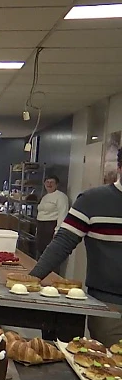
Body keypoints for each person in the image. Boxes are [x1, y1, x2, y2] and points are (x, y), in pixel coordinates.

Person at [30, 148, 122, 346]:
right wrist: (30, 281)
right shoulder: (92, 201)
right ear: (119, 168)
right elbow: (62, 243)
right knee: (111, 368)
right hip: (109, 305)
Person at [35, 174, 69, 263]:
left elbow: (63, 214)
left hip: (51, 227)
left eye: (52, 182)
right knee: (41, 253)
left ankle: (51, 276)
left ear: (57, 184)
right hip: (41, 227)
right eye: (47, 182)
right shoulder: (45, 197)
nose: (49, 184)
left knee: (50, 255)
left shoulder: (61, 197)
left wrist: (57, 231)